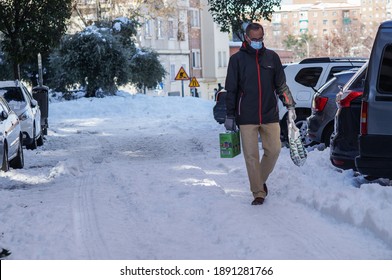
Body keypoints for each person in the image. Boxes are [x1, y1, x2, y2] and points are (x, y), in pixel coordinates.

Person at [224, 22, 296, 205]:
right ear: (247, 38)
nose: (257, 42)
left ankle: (259, 180)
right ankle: (258, 192)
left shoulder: (272, 58)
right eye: (254, 39)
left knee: (274, 150)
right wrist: (230, 115)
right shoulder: (237, 60)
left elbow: (281, 84)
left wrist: (290, 105)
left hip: (269, 113)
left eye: (260, 38)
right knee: (251, 156)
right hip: (246, 116)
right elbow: (231, 89)